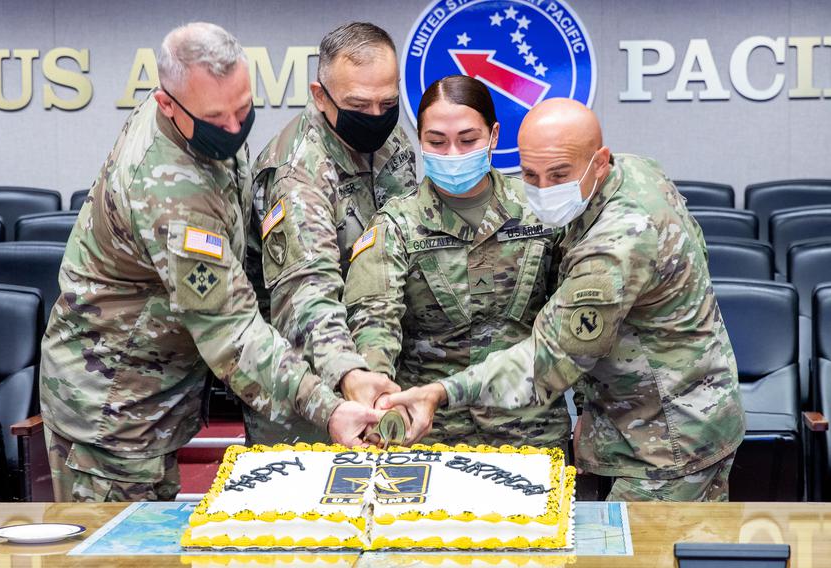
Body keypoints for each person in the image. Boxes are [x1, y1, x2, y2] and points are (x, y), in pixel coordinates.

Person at [39, 22, 380, 502]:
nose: (235, 129)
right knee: (116, 554)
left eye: (243, 109)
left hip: (155, 390)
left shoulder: (196, 121)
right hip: (112, 408)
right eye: (217, 118)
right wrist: (327, 408)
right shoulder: (172, 194)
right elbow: (232, 333)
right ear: (166, 104)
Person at [386, 98, 744, 502]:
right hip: (663, 415)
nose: (543, 189)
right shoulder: (638, 170)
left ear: (600, 162)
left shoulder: (616, 245)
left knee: (632, 560)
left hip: (666, 440)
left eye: (559, 174)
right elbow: (697, 247)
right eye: (530, 175)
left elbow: (550, 358)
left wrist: (441, 392)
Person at [343, 75, 570, 449]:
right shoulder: (397, 224)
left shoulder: (539, 211)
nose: (452, 154)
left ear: (494, 137)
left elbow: (574, 323)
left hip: (531, 431)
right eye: (436, 141)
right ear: (420, 140)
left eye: (468, 140)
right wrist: (379, 395)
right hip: (432, 434)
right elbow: (373, 320)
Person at [247, 22, 417, 443]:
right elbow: (307, 293)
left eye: (388, 102)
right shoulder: (297, 170)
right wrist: (349, 373)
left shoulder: (391, 140)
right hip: (305, 388)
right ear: (320, 95)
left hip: (378, 371)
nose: (376, 118)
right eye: (360, 105)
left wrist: (376, 367)